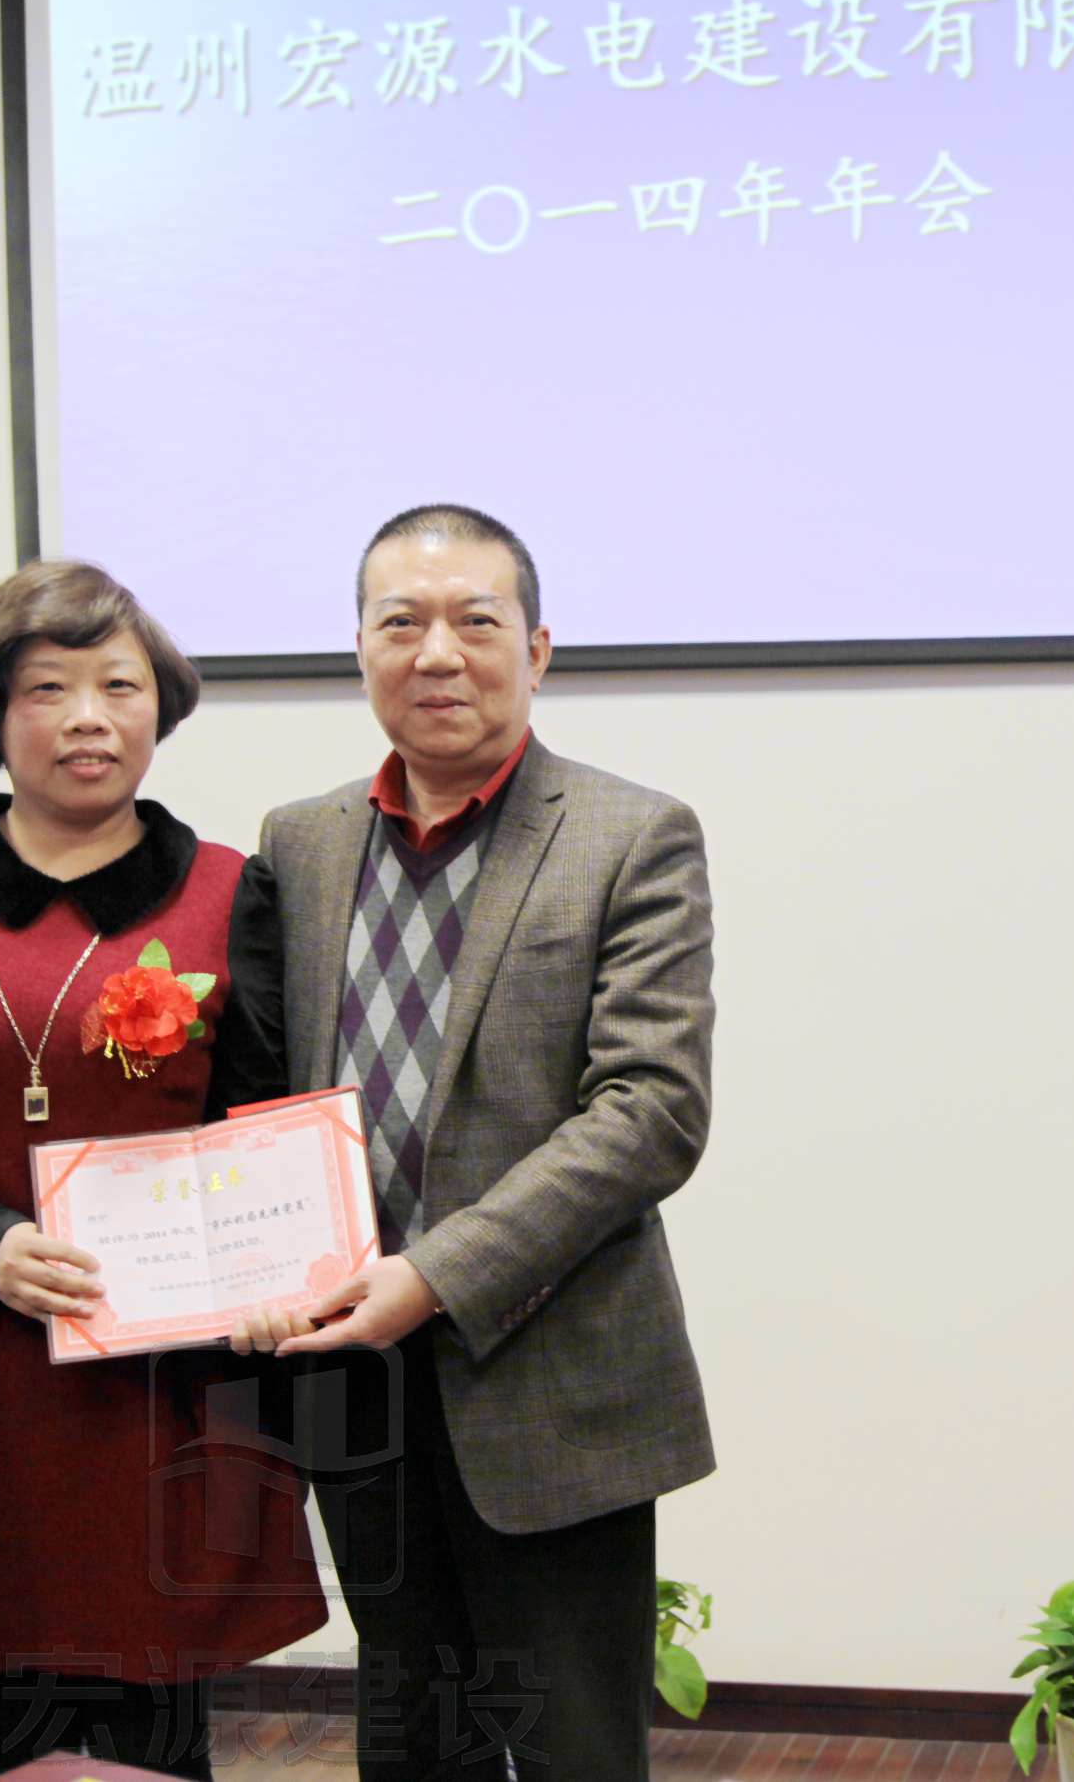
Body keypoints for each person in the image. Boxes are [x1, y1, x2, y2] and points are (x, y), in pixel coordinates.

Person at [220, 504, 718, 1781]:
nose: (436, 653)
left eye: (475, 621)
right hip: (358, 1386)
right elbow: (270, 1091)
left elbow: (651, 1111)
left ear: (537, 650)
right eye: (401, 622)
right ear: (360, 649)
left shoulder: (631, 833)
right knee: (412, 1739)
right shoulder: (299, 840)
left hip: (553, 1383)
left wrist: (433, 1277)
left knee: (573, 1752)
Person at [0, 559, 326, 1780]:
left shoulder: (231, 892)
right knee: (9, 1732)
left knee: (159, 1740)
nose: (88, 717)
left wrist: (270, 1273)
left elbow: (262, 1119)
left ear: (160, 709)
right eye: (48, 688)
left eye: (119, 686)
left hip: (165, 1383)